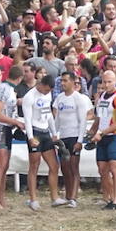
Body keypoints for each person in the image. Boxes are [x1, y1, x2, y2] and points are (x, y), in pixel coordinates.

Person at [21, 73, 61, 211]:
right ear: (41, 85)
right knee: (34, 165)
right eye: (46, 90)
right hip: (35, 131)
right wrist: (30, 137)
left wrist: (54, 132)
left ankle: (54, 197)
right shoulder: (29, 97)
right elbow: (27, 118)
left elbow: (48, 113)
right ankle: (33, 199)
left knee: (54, 165)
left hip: (45, 131)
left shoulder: (47, 94)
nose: (47, 93)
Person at [52, 71, 92, 207]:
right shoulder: (59, 98)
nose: (63, 83)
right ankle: (68, 195)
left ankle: (74, 198)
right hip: (63, 136)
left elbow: (83, 121)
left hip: (74, 136)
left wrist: (80, 140)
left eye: (65, 81)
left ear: (73, 82)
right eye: (62, 81)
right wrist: (54, 133)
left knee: (74, 167)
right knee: (64, 167)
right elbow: (57, 119)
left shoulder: (79, 98)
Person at [0, 64, 23, 211]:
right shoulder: (3, 88)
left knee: (5, 165)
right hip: (1, 127)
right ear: (20, 78)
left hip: (7, 127)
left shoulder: (9, 89)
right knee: (0, 165)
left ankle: (0, 198)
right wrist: (15, 121)